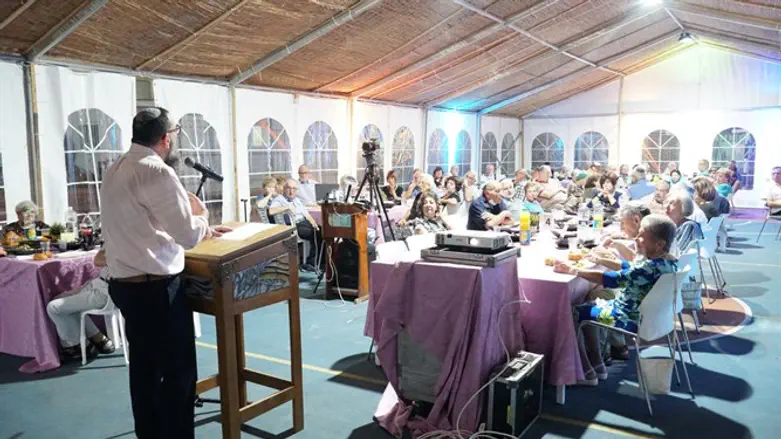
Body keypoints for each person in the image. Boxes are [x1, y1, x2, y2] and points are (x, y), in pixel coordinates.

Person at [101, 107, 229, 438]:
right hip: (156, 290)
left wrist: (187, 217)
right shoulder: (157, 172)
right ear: (166, 138)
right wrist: (200, 216)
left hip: (126, 286)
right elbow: (187, 236)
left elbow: (142, 222)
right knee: (178, 375)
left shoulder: (114, 168)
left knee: (144, 373)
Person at [555, 215, 679, 385]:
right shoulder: (670, 263)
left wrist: (573, 270)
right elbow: (631, 269)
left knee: (573, 312)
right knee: (590, 306)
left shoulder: (647, 268)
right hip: (653, 319)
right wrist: (602, 259)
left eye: (641, 236)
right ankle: (597, 363)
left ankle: (586, 370)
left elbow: (610, 279)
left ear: (659, 245)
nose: (636, 239)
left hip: (627, 318)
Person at [46, 249, 116, 363]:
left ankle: (74, 346)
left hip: (105, 292)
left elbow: (98, 260)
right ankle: (98, 339)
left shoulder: (122, 243)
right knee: (60, 300)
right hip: (100, 284)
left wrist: (107, 250)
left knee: (53, 308)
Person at [270, 179, 321, 270]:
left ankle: (320, 260)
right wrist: (287, 206)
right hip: (296, 226)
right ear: (284, 189)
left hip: (305, 222)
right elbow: (271, 211)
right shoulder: (279, 199)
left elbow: (306, 214)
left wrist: (313, 223)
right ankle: (312, 261)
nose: (291, 191)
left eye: (294, 189)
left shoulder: (297, 199)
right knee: (317, 234)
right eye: (289, 188)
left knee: (322, 231)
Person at [665, 191, 703, 256]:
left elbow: (679, 252)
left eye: (672, 204)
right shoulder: (672, 225)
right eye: (666, 203)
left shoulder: (688, 226)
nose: (667, 206)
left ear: (683, 207)